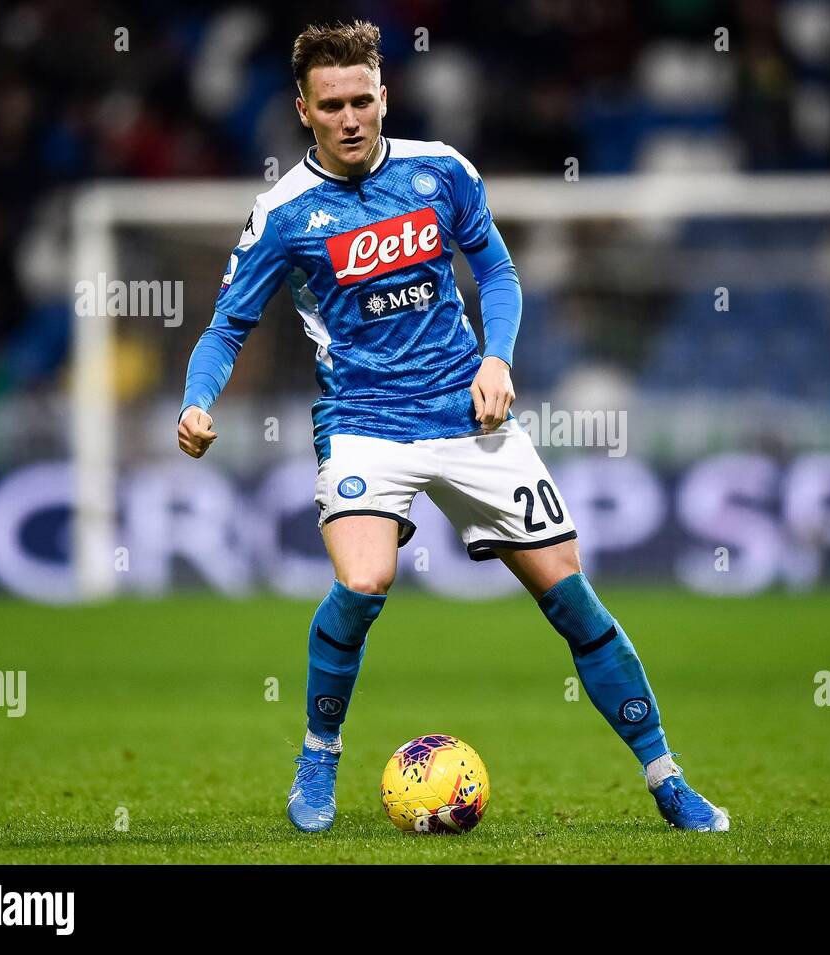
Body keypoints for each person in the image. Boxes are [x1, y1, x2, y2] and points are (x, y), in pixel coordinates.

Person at [177, 20, 728, 834]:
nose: (352, 117)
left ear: (384, 95)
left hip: (468, 416)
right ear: (304, 109)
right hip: (364, 421)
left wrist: (497, 359)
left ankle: (668, 777)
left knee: (573, 601)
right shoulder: (284, 215)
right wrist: (198, 399)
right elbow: (227, 326)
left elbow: (497, 268)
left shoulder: (442, 172)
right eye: (333, 105)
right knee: (364, 582)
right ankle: (318, 756)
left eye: (364, 98)